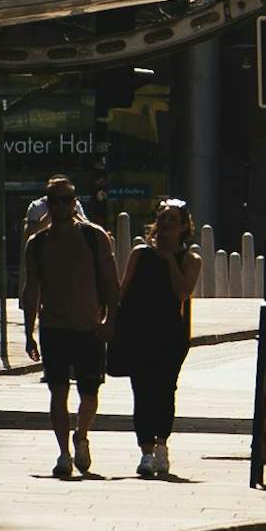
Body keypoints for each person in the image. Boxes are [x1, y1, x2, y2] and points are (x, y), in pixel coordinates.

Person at [18, 177, 119, 478]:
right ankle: (63, 453)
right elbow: (31, 290)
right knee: (57, 391)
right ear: (48, 204)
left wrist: (110, 320)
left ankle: (81, 435)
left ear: (74, 202)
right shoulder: (37, 244)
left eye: (66, 200)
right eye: (54, 200)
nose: (60, 206)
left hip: (89, 327)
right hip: (54, 328)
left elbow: (111, 284)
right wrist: (29, 332)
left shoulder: (94, 237)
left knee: (89, 394)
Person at [110, 200, 201, 478]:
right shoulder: (140, 253)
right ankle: (146, 452)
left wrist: (169, 260)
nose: (166, 225)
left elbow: (183, 292)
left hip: (171, 335)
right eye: (162, 219)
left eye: (173, 220)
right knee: (142, 391)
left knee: (164, 390)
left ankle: (162, 444)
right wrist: (109, 323)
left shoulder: (190, 259)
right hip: (138, 331)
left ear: (184, 226)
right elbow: (122, 292)